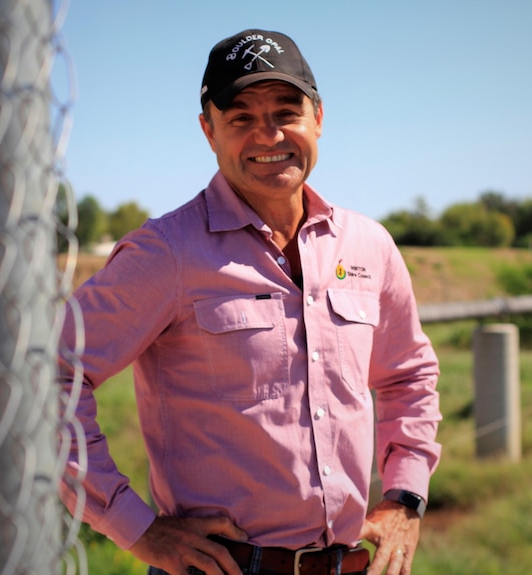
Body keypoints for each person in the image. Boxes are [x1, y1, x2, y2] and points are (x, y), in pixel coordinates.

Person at [58, 29, 442, 575]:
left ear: (319, 119)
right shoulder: (166, 253)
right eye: (240, 117)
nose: (269, 133)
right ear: (208, 130)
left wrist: (406, 497)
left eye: (287, 111)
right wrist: (134, 527)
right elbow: (46, 375)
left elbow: (408, 378)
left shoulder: (368, 246)